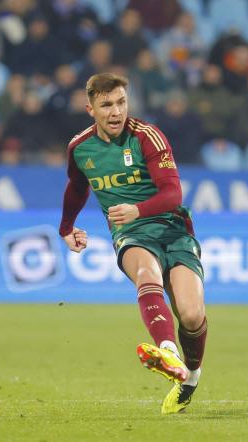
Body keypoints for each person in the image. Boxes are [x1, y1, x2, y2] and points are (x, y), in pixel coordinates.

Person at [58, 73, 207, 414]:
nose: (116, 111)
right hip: (131, 233)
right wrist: (66, 227)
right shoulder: (80, 148)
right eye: (106, 104)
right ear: (90, 108)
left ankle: (191, 375)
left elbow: (173, 194)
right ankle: (167, 351)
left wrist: (137, 208)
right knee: (146, 273)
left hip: (173, 229)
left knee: (192, 314)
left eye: (121, 102)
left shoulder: (147, 137)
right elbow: (77, 187)